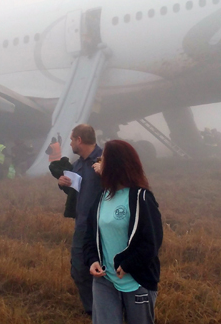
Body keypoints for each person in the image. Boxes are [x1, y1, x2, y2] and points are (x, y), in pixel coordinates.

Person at [83, 140, 163, 324]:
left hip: (136, 281)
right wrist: (92, 259)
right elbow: (90, 235)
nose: (98, 161)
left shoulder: (141, 198)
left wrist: (127, 265)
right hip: (105, 280)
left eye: (103, 159)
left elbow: (151, 243)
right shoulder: (102, 196)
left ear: (114, 164)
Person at [58, 124, 103, 315]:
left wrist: (107, 170)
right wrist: (64, 184)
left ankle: (110, 309)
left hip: (104, 227)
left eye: (71, 139)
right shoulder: (78, 164)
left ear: (79, 140)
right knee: (78, 270)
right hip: (82, 226)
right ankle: (94, 311)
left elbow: (124, 182)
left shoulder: (106, 160)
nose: (70, 143)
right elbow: (76, 191)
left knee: (105, 271)